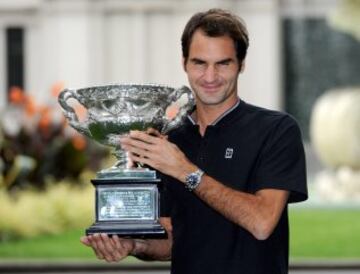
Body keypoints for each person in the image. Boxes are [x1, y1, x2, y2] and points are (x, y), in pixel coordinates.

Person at [81, 8, 308, 274]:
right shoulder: (167, 139)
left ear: (241, 64)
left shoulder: (277, 130)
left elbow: (262, 223)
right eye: (199, 63)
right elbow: (169, 238)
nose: (210, 77)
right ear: (184, 62)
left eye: (223, 63)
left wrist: (185, 170)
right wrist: (135, 245)